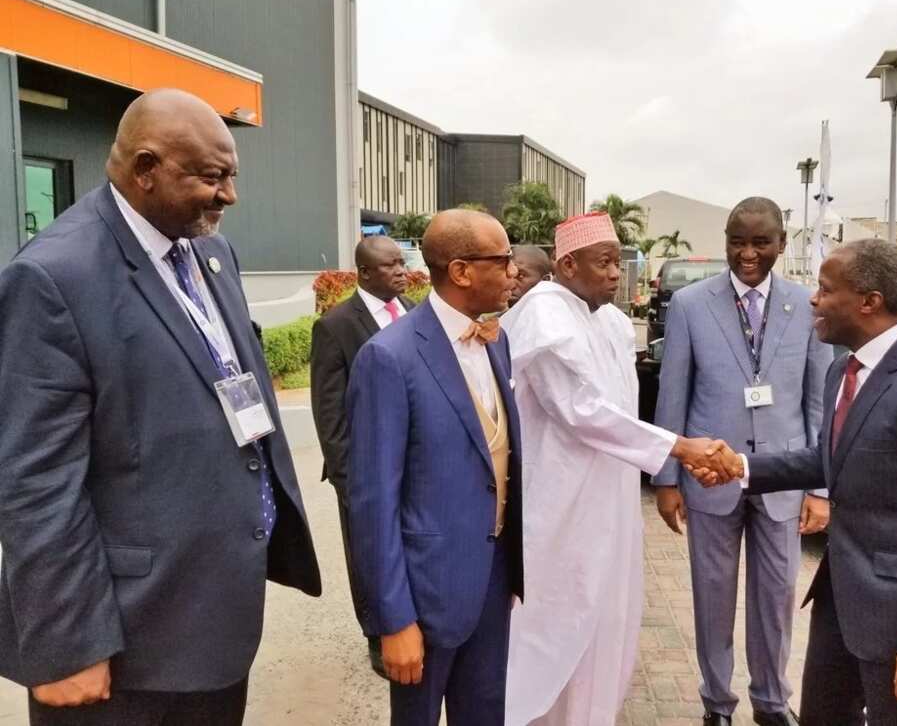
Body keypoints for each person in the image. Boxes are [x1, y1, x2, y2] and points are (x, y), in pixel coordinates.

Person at [0, 89, 321, 725]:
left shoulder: (210, 251)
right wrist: (68, 647)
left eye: (231, 176)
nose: (229, 195)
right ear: (146, 169)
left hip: (214, 619)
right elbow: (34, 481)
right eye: (212, 177)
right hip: (124, 642)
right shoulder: (54, 278)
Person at [699, 240, 897, 725]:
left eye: (825, 289)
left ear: (869, 302)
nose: (814, 300)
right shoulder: (845, 368)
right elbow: (832, 458)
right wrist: (742, 467)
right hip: (842, 605)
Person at [501, 211, 742, 726]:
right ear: (566, 264)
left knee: (609, 608)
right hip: (559, 496)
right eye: (604, 262)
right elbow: (582, 411)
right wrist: (678, 448)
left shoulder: (609, 319)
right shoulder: (543, 316)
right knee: (559, 608)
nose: (616, 273)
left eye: (619, 262)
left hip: (610, 494)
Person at [653, 197, 832, 726]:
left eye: (760, 242)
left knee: (776, 600)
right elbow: (673, 395)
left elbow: (817, 400)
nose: (747, 253)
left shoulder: (805, 305)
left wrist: (820, 488)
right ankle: (717, 703)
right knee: (712, 597)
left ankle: (772, 702)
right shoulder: (690, 304)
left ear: (781, 242)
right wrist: (667, 478)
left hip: (784, 479)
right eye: (737, 240)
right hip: (709, 477)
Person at [346, 209, 524, 726]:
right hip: (425, 593)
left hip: (491, 580)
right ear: (463, 271)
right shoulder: (389, 357)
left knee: (486, 713)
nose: (514, 270)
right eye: (504, 259)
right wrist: (393, 619)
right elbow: (373, 502)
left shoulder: (497, 341)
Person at [311, 235, 414, 676]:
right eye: (391, 265)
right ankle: (376, 633)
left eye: (402, 262)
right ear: (366, 273)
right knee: (367, 553)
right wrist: (346, 479)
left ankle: (409, 622)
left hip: (414, 463)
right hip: (363, 470)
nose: (401, 270)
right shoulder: (336, 326)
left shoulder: (412, 312)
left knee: (407, 547)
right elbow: (328, 411)